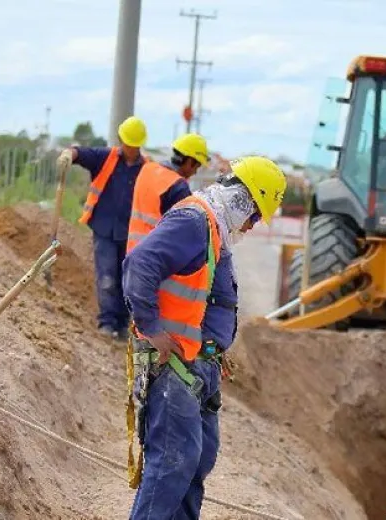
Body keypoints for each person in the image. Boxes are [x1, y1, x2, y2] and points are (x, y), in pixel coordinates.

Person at [122, 156, 287, 519]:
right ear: (244, 199)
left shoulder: (215, 228)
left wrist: (215, 349)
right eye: (256, 215)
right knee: (172, 462)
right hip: (174, 366)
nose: (253, 225)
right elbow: (139, 265)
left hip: (200, 364)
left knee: (196, 459)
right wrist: (151, 329)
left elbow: (207, 297)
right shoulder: (194, 221)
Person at [56, 116, 149, 342]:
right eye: (128, 144)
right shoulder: (105, 158)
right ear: (121, 140)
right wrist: (70, 154)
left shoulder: (147, 169)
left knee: (127, 280)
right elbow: (82, 153)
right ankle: (107, 323)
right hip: (104, 230)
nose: (131, 149)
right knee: (107, 277)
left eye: (135, 145)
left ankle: (122, 323)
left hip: (132, 234)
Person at [126, 133, 209, 253]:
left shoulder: (147, 169)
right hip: (156, 258)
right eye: (197, 166)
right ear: (190, 161)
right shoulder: (178, 187)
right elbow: (185, 231)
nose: (195, 172)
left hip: (133, 252)